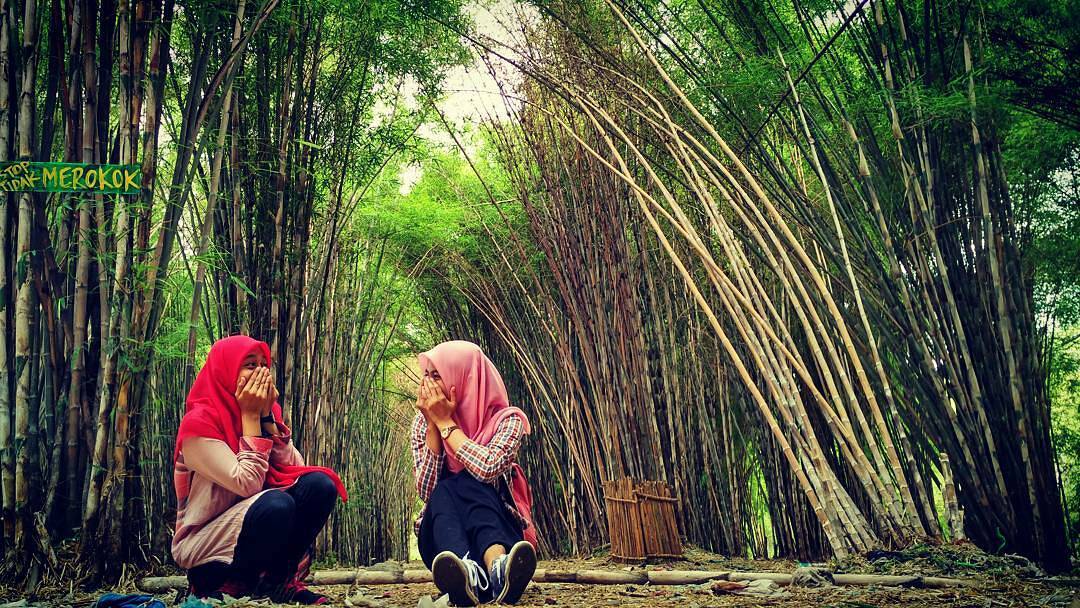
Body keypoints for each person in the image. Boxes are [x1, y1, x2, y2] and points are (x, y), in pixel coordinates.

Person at [172, 335, 348, 604]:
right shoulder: (198, 424)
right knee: (276, 504)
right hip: (207, 547)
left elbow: (296, 471)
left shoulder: (265, 413)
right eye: (250, 365)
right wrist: (251, 417)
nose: (261, 372)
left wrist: (267, 419)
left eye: (264, 365)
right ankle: (232, 583)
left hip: (254, 523)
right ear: (225, 371)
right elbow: (247, 483)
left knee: (320, 485)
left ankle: (278, 581)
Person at [412, 340, 538, 606]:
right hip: (441, 542)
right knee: (444, 489)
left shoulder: (508, 421)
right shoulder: (421, 424)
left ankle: (496, 569)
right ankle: (467, 571)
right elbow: (426, 492)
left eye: (438, 376)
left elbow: (487, 468)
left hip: (502, 530)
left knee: (471, 480)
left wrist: (447, 423)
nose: (428, 385)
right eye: (427, 375)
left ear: (465, 378)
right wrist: (434, 425)